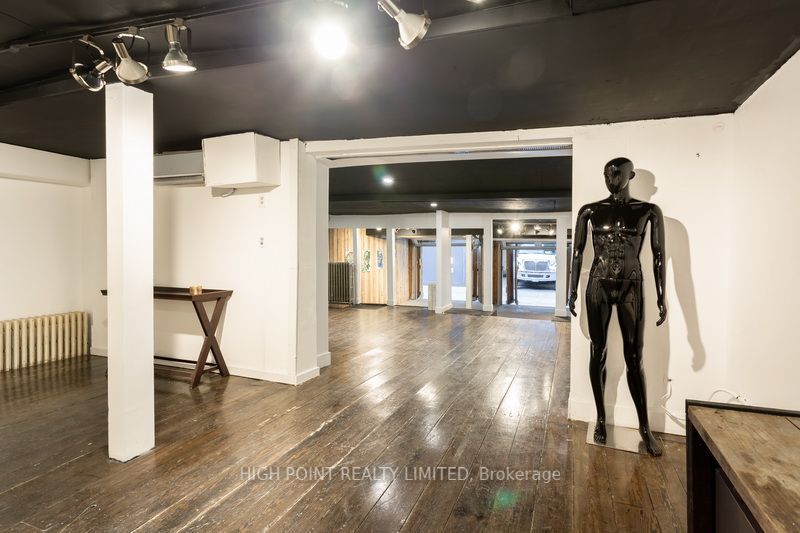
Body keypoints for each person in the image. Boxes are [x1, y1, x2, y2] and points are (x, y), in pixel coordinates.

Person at [568, 157, 666, 457]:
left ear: (629, 175)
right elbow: (577, 253)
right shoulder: (590, 211)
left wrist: (662, 295)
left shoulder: (648, 211)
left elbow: (659, 255)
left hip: (631, 286)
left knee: (634, 356)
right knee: (597, 351)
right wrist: (572, 291)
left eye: (616, 174)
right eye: (607, 174)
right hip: (597, 285)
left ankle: (645, 428)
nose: (611, 179)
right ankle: (600, 417)